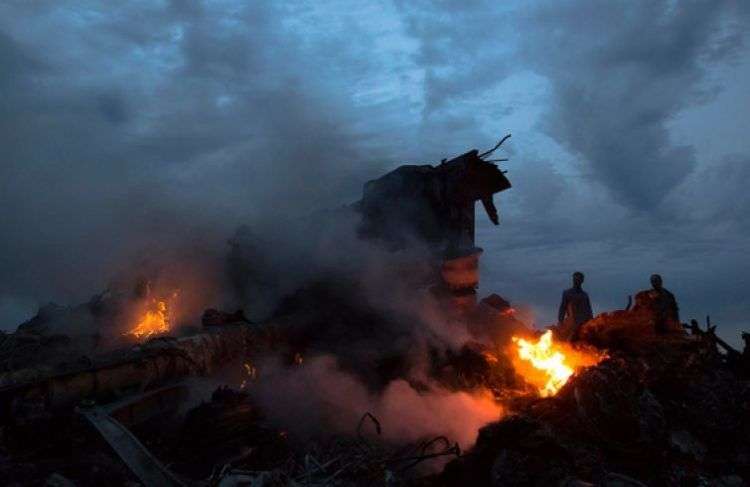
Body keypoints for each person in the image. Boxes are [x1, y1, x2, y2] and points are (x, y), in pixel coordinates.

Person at [558, 271, 594, 341]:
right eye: (575, 279)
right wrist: (560, 321)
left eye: (578, 280)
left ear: (582, 281)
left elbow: (589, 309)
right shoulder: (567, 293)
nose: (576, 281)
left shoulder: (584, 295)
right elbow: (563, 307)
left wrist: (591, 322)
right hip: (572, 324)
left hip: (584, 324)